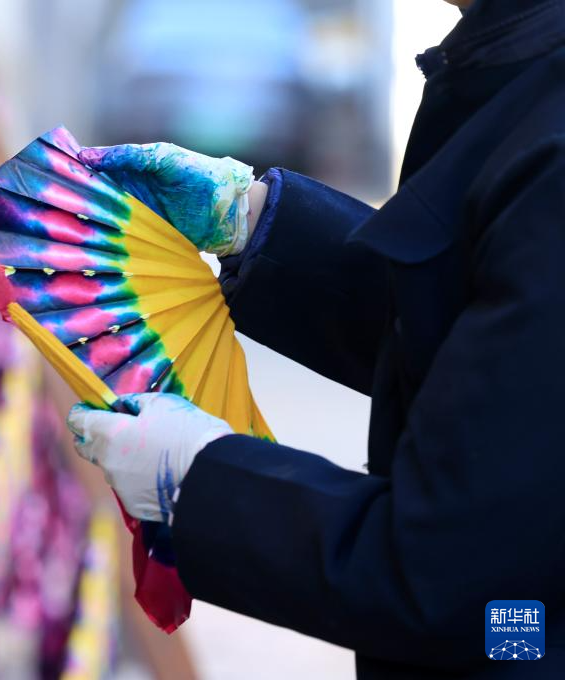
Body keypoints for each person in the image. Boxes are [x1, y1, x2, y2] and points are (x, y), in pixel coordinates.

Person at [65, 0, 565, 677]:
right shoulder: (519, 57)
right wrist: (255, 220)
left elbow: (445, 569)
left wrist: (201, 482)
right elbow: (480, 345)